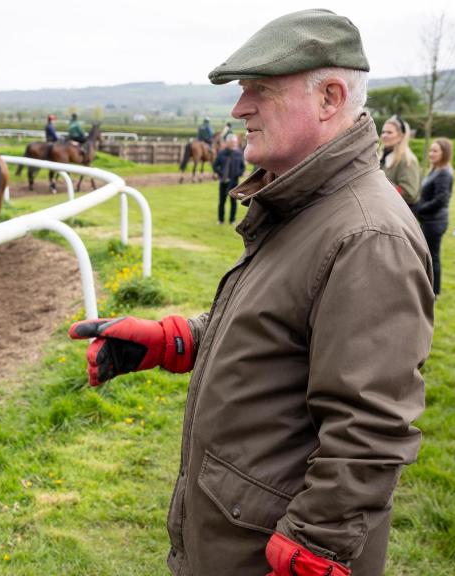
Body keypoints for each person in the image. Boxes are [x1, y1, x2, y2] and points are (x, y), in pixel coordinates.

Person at [68, 9, 433, 575]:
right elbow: (276, 324)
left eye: (258, 90)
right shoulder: (306, 202)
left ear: (330, 97)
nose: (239, 109)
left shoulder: (366, 235)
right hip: (235, 535)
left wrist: (315, 547)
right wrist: (176, 341)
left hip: (269, 556)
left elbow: (370, 427)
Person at [411, 138, 454, 295]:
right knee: (427, 254)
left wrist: (420, 209)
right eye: (431, 150)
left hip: (435, 222)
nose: (431, 153)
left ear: (444, 153)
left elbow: (441, 200)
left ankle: (434, 291)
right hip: (428, 220)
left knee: (432, 256)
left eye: (435, 151)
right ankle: (427, 287)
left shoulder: (444, 174)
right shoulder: (435, 170)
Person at [380, 115, 421, 205]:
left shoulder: (407, 161)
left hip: (400, 215)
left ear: (400, 136)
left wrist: (381, 182)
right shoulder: (383, 157)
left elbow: (409, 194)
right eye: (383, 132)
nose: (384, 135)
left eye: (389, 132)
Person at [212, 133, 244, 224]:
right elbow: (215, 166)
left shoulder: (238, 153)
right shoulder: (222, 153)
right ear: (228, 143)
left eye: (235, 142)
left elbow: (242, 167)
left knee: (233, 202)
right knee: (222, 201)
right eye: (233, 142)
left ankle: (232, 220)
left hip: (234, 182)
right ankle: (220, 220)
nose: (235, 144)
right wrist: (221, 173)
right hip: (223, 182)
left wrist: (239, 173)